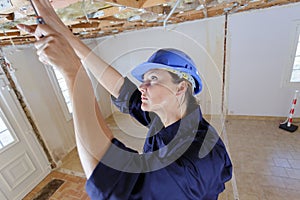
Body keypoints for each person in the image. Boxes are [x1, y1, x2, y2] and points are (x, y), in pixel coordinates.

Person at [17, 1, 232, 199]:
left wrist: (73, 72)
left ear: (181, 87)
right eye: (144, 80)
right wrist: (63, 33)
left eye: (153, 79)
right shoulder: (164, 119)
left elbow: (120, 185)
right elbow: (122, 88)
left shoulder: (202, 156)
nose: (142, 86)